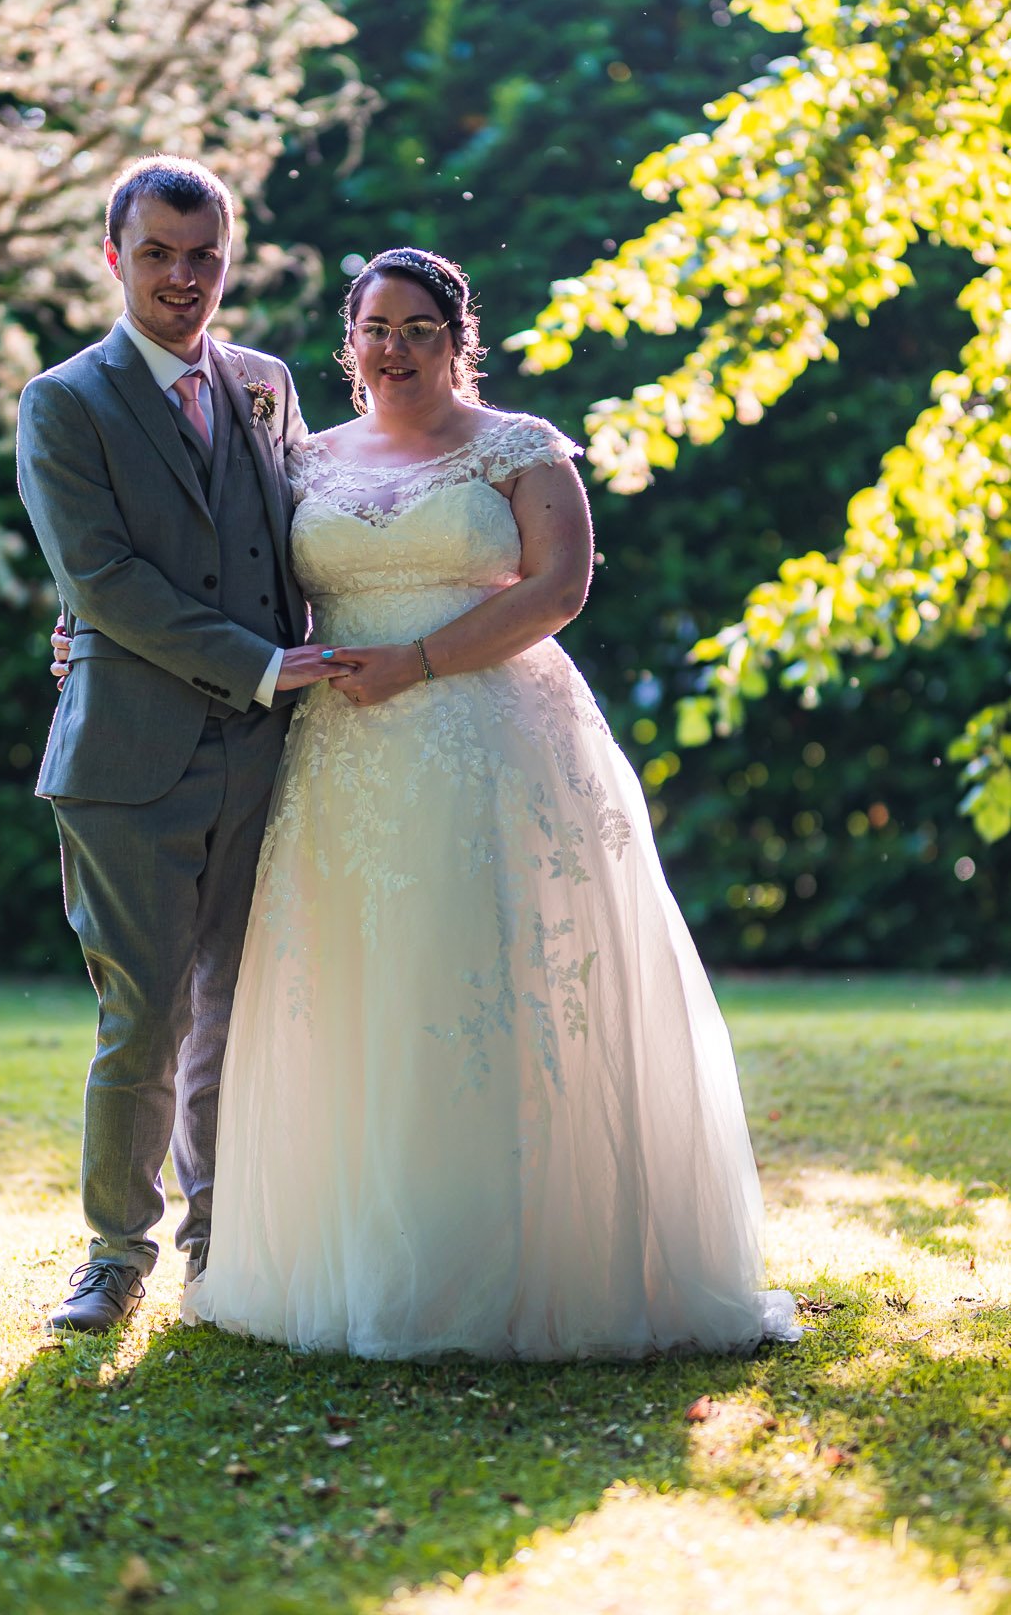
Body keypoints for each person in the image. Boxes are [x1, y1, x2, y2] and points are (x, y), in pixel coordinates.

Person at [176, 246, 801, 1358]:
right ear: (349, 341)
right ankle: (359, 1258)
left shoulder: (519, 448)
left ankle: (523, 1260)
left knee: (489, 979)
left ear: (457, 340)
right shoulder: (303, 461)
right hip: (341, 761)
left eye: (420, 327)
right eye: (376, 326)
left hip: (492, 740)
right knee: (360, 988)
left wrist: (416, 661)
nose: (395, 347)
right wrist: (92, 627)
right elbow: (236, 581)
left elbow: (559, 588)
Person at [16, 154, 344, 1337]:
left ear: (227, 259)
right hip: (126, 761)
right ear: (114, 256)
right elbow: (100, 577)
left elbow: (301, 533)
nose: (181, 277)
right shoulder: (62, 401)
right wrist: (257, 662)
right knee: (142, 1013)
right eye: (156, 252)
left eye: (202, 255)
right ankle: (115, 1253)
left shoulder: (263, 381)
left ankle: (223, 1243)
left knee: (238, 1007)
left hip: (266, 755)